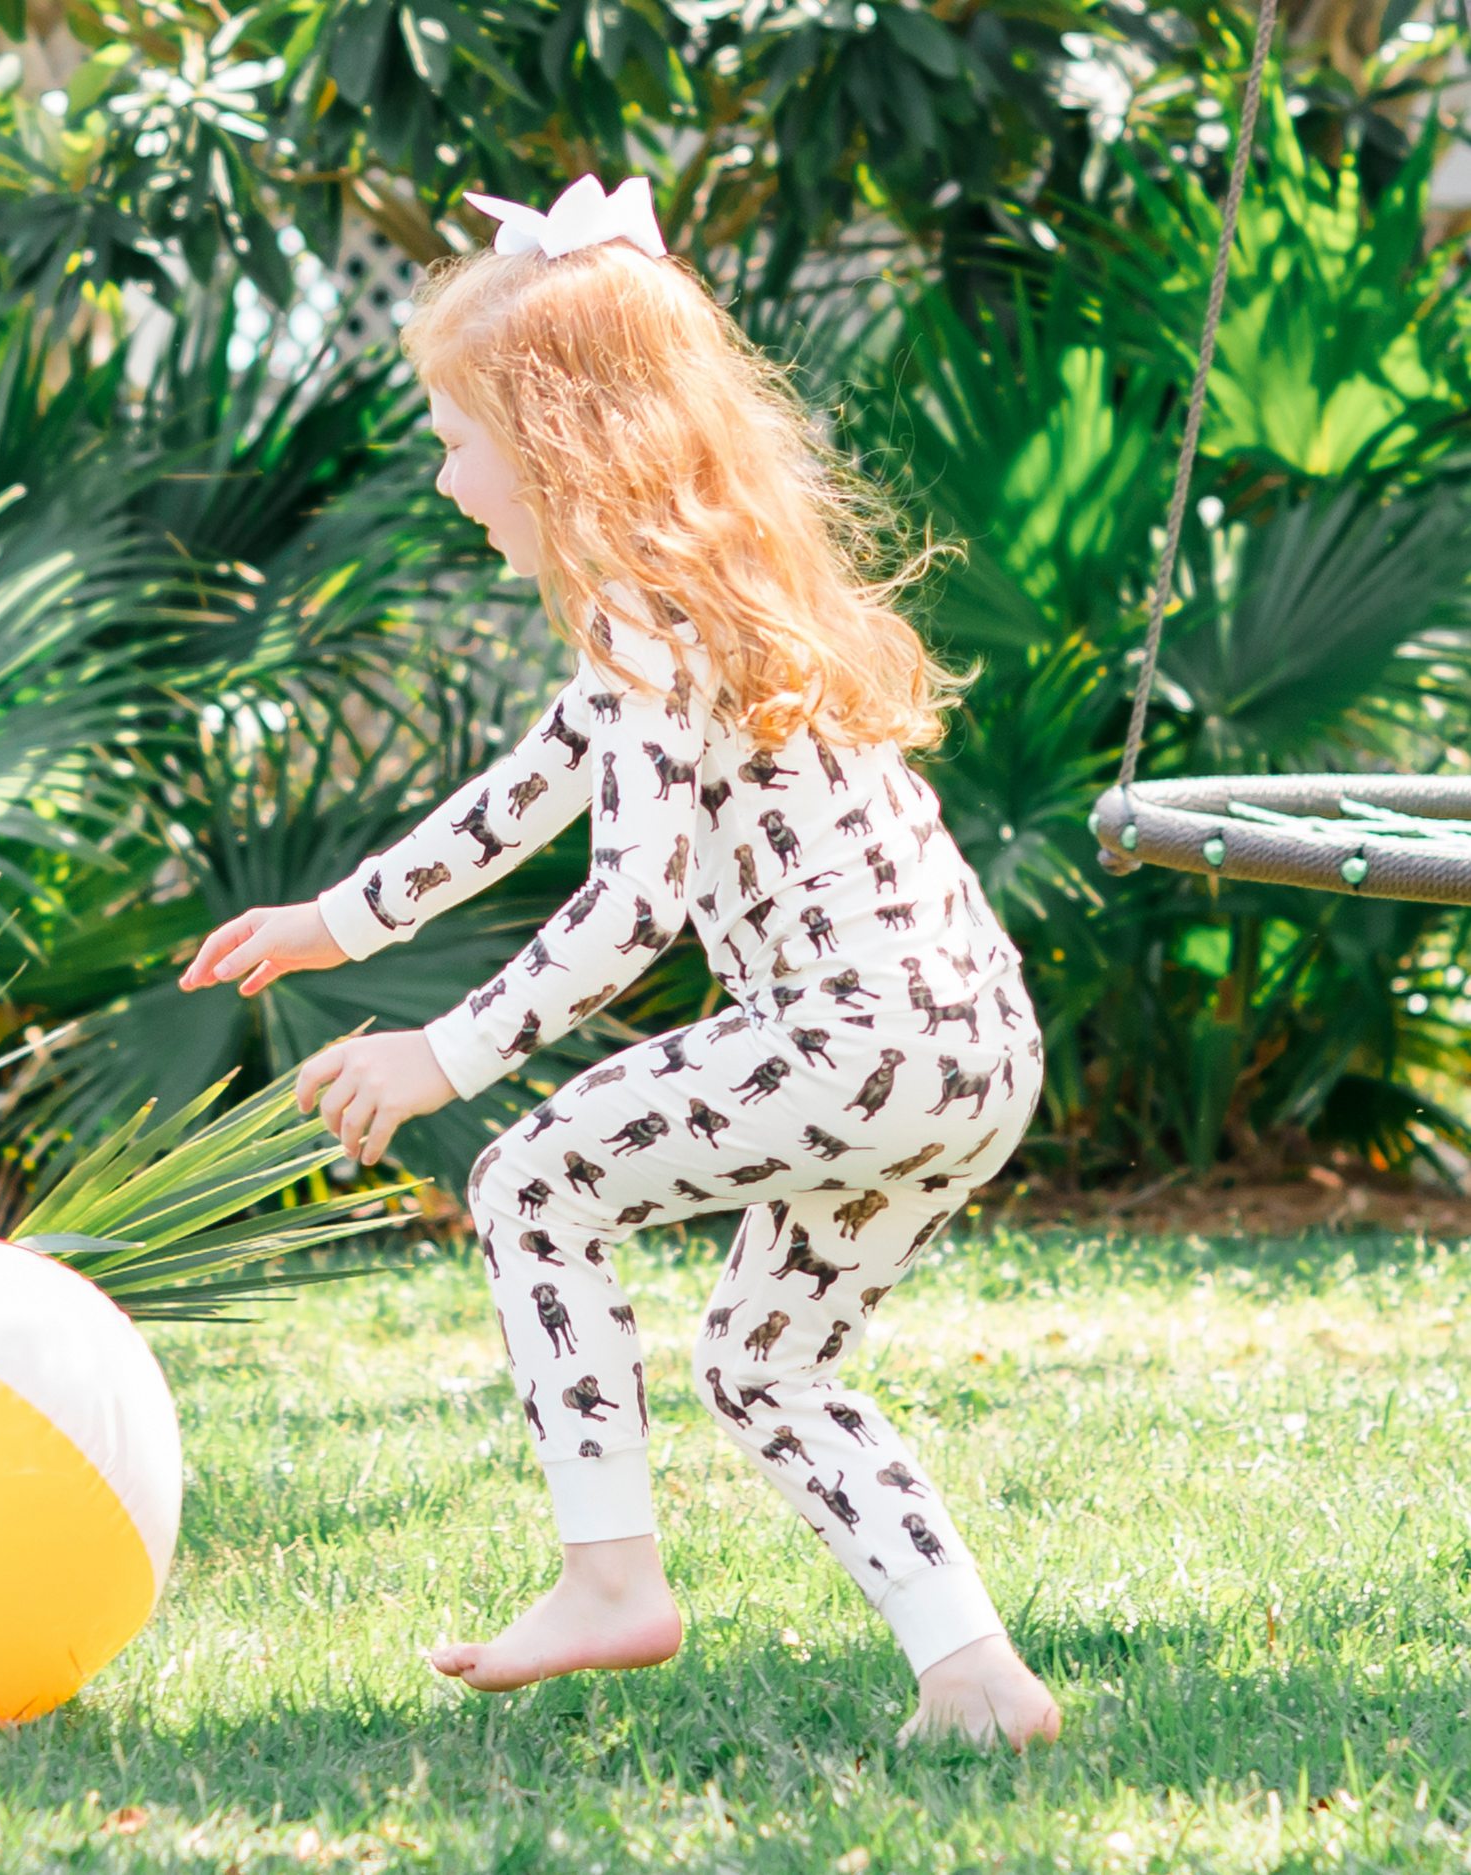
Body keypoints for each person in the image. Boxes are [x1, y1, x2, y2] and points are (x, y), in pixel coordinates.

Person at [181, 175, 1060, 1750]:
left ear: (555, 436)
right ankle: (975, 1676)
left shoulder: (650, 619)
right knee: (767, 1362)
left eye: (460, 434)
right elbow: (521, 795)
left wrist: (436, 1055)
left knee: (526, 1179)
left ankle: (608, 1576)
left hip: (850, 1036)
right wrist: (335, 924)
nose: (448, 470)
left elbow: (626, 910)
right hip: (974, 1043)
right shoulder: (708, 601)